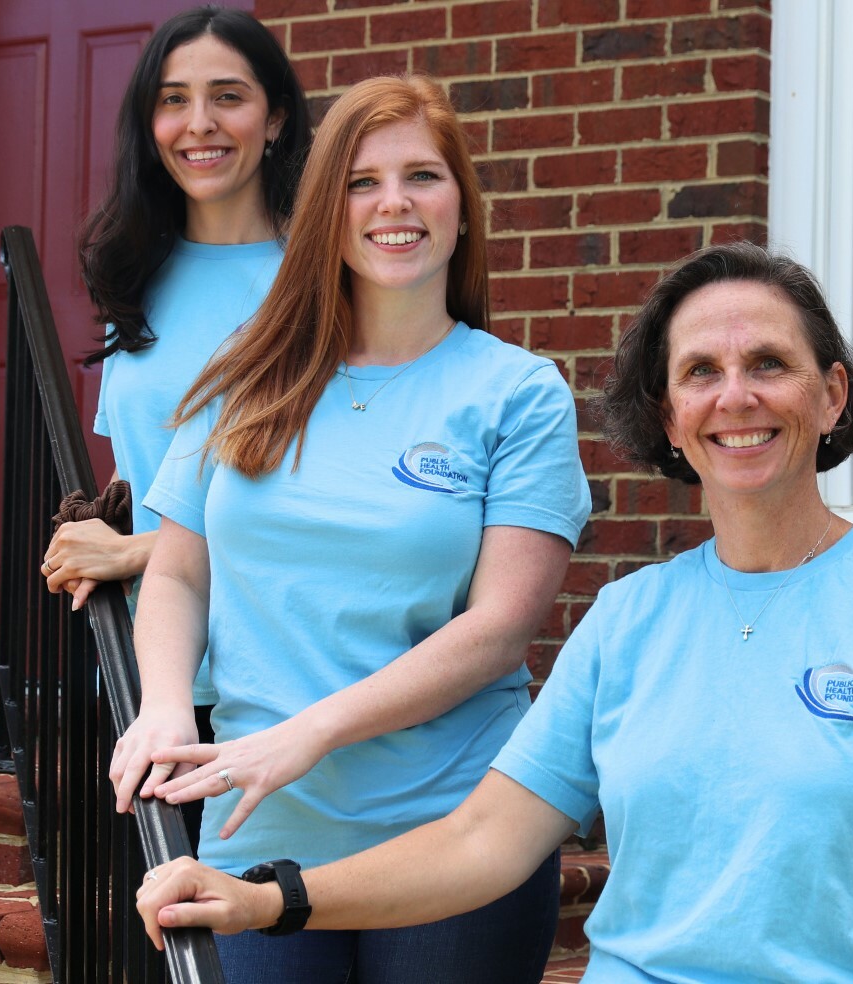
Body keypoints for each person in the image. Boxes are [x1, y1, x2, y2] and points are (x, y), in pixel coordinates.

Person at [133, 242, 853, 984]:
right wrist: (265, 901)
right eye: (701, 371)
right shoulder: (626, 621)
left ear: (831, 394)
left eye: (768, 363)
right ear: (669, 415)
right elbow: (482, 840)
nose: (736, 396)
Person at [111, 74, 592, 983]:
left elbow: (496, 632)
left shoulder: (517, 392)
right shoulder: (250, 374)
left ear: (461, 207)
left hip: (455, 837)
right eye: (362, 182)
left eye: (422, 176)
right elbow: (177, 572)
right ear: (327, 209)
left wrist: (311, 732)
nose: (394, 204)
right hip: (258, 832)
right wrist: (167, 702)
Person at [38, 6, 310, 843]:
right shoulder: (136, 274)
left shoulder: (316, 279)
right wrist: (97, 544)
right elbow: (143, 473)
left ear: (276, 120)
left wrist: (128, 553)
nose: (198, 125)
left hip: (271, 674)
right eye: (173, 100)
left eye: (228, 96)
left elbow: (313, 496)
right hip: (146, 675)